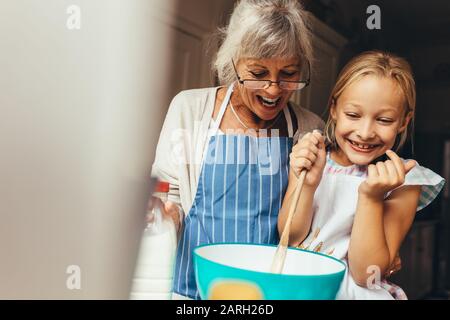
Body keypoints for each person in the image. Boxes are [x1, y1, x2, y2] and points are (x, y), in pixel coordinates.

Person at [151, 0, 324, 299]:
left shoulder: (308, 129)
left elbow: (308, 230)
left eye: (288, 74)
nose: (273, 89)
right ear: (232, 62)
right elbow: (171, 197)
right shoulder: (190, 110)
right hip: (191, 290)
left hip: (268, 294)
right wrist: (164, 215)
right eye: (258, 73)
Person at [281, 50, 445, 299]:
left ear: (403, 122)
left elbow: (367, 274)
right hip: (298, 288)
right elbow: (289, 238)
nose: (365, 132)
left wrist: (371, 197)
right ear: (334, 108)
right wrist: (308, 185)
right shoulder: (312, 154)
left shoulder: (406, 180)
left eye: (384, 119)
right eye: (353, 115)